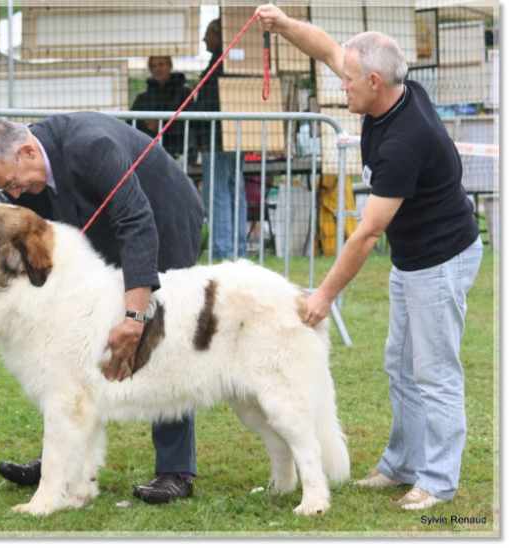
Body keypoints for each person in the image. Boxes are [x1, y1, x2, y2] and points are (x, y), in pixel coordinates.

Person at [256, 4, 483, 510]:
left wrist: (323, 297)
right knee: (400, 367)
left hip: (441, 259)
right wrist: (285, 24)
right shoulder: (390, 90)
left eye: (350, 82)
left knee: (435, 372)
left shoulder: (405, 140)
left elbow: (365, 235)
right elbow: (329, 50)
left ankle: (438, 481)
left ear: (376, 81)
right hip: (413, 258)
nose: (343, 86)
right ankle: (402, 464)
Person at [0, 112, 204, 505]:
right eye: (4, 189)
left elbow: (136, 222)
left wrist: (134, 316)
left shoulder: (91, 146)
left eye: (12, 183)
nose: (14, 195)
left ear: (28, 152)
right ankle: (62, 464)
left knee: (160, 341)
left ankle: (174, 469)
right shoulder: (30, 168)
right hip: (108, 224)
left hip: (163, 222)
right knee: (73, 357)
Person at [192, 19, 247, 260]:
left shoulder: (219, 66)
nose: (204, 40)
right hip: (234, 138)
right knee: (235, 192)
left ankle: (224, 251)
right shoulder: (234, 64)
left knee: (219, 196)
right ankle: (237, 250)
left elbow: (207, 105)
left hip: (217, 139)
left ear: (218, 34)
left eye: (207, 34)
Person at [131, 56, 192, 159]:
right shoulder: (143, 96)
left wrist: (160, 125)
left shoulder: (184, 91)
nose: (157, 69)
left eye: (161, 64)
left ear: (169, 66)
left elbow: (190, 120)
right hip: (150, 150)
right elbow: (132, 122)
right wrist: (148, 127)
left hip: (178, 149)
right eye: (153, 66)